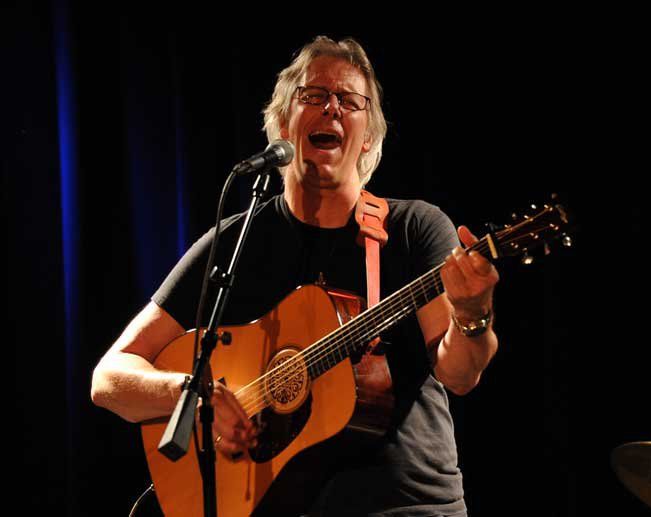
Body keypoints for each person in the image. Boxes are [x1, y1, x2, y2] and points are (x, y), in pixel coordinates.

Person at [91, 35, 499, 516]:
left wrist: (473, 314)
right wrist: (195, 394)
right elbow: (109, 378)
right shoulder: (236, 242)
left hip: (406, 506)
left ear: (367, 136)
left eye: (350, 102)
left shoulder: (412, 228)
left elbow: (459, 374)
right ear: (282, 122)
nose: (332, 109)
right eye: (313, 96)